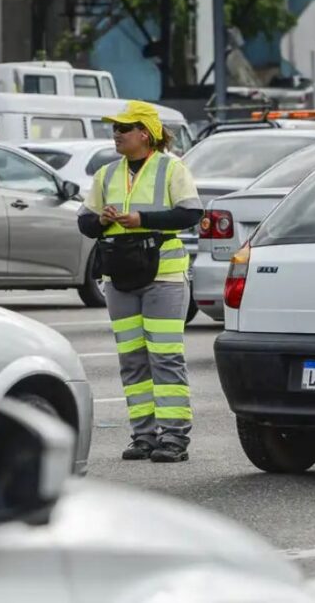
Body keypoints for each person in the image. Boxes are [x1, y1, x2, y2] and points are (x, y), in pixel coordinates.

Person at [77, 101, 203, 463]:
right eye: (114, 129)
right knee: (132, 360)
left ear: (145, 134)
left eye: (124, 128)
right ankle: (144, 436)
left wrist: (141, 217)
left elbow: (191, 213)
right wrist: (102, 220)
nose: (116, 134)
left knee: (164, 358)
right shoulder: (107, 174)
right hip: (120, 275)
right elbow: (85, 223)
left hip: (163, 275)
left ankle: (174, 438)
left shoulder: (171, 168)